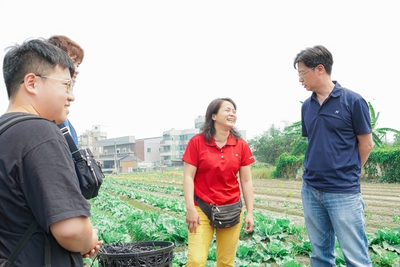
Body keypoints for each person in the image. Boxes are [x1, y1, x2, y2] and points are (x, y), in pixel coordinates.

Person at [0, 39, 102, 266]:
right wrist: (90, 238)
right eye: (66, 85)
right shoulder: (40, 131)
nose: (71, 96)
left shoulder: (5, 131)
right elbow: (72, 230)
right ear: (32, 83)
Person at [293, 45, 374, 266]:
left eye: (302, 73)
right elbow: (315, 142)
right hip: (311, 189)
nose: (300, 79)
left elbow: (366, 144)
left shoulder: (353, 101)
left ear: (320, 69)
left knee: (355, 257)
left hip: (343, 191)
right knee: (320, 255)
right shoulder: (307, 107)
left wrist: (349, 172)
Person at [183, 97, 255, 267]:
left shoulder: (241, 145)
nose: (232, 114)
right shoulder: (197, 142)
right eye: (227, 110)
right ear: (213, 116)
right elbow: (188, 177)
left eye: (234, 111)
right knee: (196, 260)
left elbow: (246, 181)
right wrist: (190, 209)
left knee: (226, 263)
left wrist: (250, 212)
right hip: (202, 209)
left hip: (232, 209)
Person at [46, 35, 84, 146]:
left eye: (78, 64)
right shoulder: (39, 122)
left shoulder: (67, 124)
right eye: (72, 61)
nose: (76, 70)